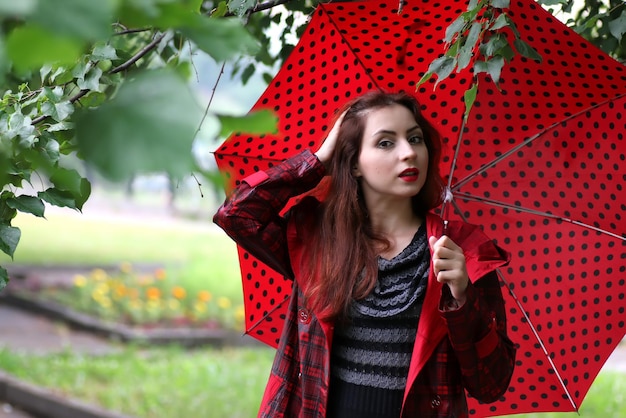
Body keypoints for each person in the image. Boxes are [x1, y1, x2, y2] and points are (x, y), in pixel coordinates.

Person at [213, 91, 516, 418]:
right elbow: (237, 214)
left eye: (415, 139)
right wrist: (318, 161)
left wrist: (462, 298)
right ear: (353, 163)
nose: (408, 152)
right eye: (386, 142)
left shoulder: (460, 251)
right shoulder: (318, 237)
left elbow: (491, 384)